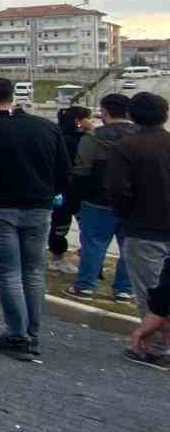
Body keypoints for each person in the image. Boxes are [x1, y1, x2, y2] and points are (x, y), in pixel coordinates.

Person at [0, 76, 70, 361]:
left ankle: (17, 334)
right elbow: (64, 171)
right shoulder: (46, 128)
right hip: (38, 207)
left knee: (9, 273)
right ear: (12, 96)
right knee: (33, 271)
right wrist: (49, 194)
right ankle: (32, 332)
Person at [107, 91, 170, 367]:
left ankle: (155, 347)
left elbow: (117, 189)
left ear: (132, 115)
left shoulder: (126, 147)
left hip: (143, 227)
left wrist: (127, 214)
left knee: (149, 290)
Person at [65, 93, 137, 300]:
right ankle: (124, 289)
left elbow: (81, 171)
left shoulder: (94, 137)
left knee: (93, 245)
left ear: (104, 112)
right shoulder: (142, 136)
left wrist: (76, 198)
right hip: (134, 203)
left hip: (98, 200)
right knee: (128, 248)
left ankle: (85, 286)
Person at [48, 105, 91, 257]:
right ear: (78, 120)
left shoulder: (57, 134)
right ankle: (58, 254)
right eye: (87, 118)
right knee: (64, 223)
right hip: (73, 190)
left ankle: (58, 254)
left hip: (61, 189)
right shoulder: (80, 139)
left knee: (60, 222)